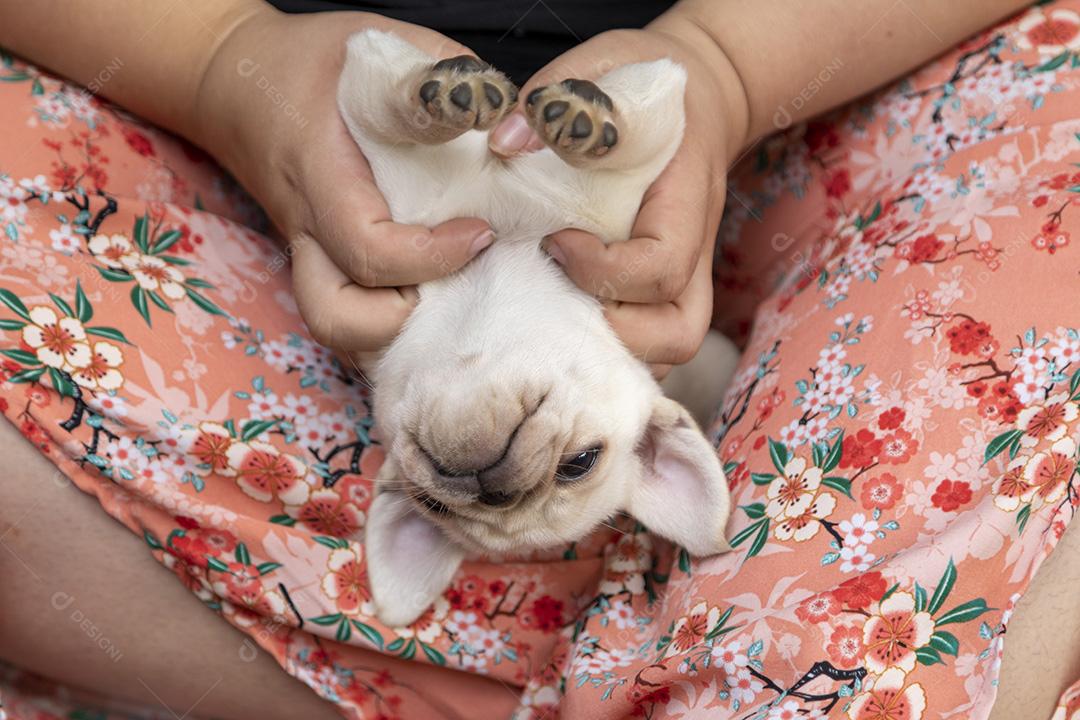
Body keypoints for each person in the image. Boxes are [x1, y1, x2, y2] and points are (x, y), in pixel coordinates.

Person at [0, 0, 1077, 718]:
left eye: (452, 500)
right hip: (215, 138)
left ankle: (464, 673)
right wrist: (220, 62)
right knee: (890, 636)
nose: (496, 481)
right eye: (568, 467)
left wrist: (734, 67)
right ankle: (664, 667)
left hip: (844, 85)